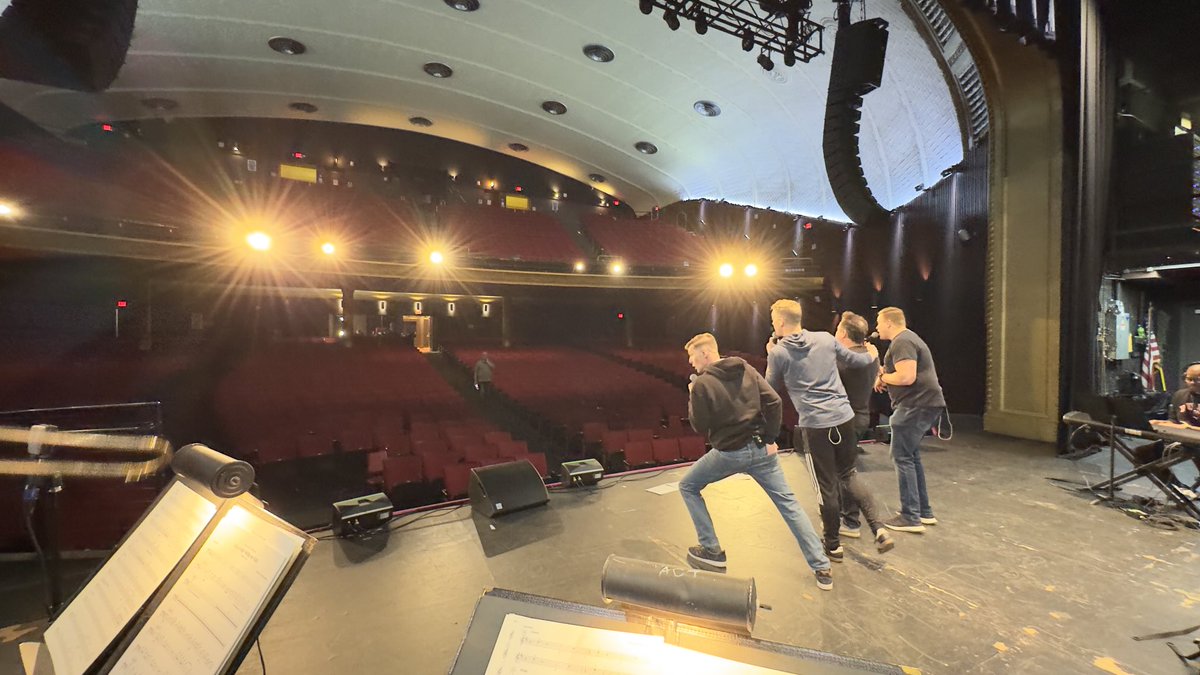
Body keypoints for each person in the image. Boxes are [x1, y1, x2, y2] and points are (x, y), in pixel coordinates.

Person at [678, 332, 834, 591]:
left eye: (692, 356)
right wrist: (770, 438)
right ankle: (822, 567)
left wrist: (693, 395)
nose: (690, 362)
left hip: (730, 453)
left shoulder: (702, 384)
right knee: (790, 505)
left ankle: (711, 549)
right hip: (762, 450)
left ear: (705, 352)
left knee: (687, 486)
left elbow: (699, 425)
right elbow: (774, 401)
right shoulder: (745, 368)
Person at [765, 300, 894, 562]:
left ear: (780, 322)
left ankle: (833, 545)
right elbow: (857, 360)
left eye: (773, 320)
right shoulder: (825, 338)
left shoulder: (778, 353)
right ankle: (878, 528)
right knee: (848, 475)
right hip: (844, 418)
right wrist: (872, 355)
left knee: (826, 487)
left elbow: (769, 390)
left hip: (816, 426)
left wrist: (771, 354)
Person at [874, 307, 946, 533]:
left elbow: (906, 377)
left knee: (902, 457)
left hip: (915, 405)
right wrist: (887, 377)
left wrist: (883, 376)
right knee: (911, 456)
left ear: (889, 322)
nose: (876, 327)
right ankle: (923, 512)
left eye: (878, 322)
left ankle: (910, 516)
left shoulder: (902, 341)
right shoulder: (908, 339)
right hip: (922, 404)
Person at [833, 311, 877, 539]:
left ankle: (851, 521)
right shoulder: (871, 354)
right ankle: (845, 516)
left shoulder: (845, 361)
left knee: (845, 473)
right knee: (844, 470)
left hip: (845, 420)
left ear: (843, 333)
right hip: (860, 416)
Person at [1143, 362, 1200, 497]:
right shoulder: (1180, 395)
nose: (1193, 383)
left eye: (1198, 379)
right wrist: (1161, 424)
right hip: (1183, 441)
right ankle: (1178, 488)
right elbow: (1174, 420)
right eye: (1190, 379)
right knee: (1142, 454)